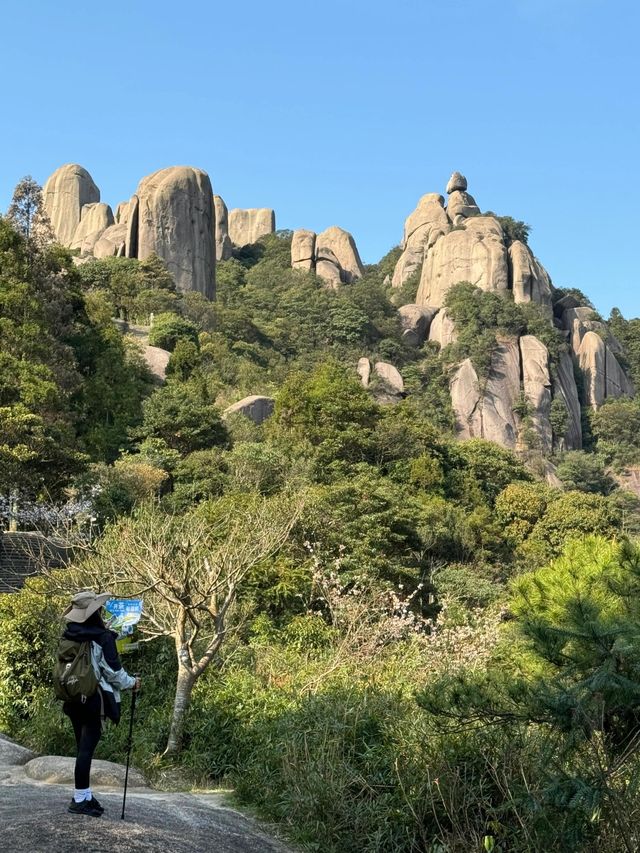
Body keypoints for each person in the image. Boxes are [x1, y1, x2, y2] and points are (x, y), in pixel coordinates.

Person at [60, 590, 141, 817]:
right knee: (86, 749)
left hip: (72, 697)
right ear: (95, 613)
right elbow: (114, 673)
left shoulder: (69, 634)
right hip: (92, 699)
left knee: (82, 747)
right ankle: (78, 799)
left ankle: (84, 794)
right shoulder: (102, 638)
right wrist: (133, 683)